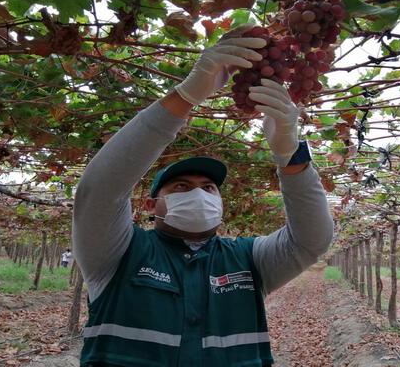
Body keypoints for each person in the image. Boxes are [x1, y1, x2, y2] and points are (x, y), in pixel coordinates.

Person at [72, 23, 334, 366]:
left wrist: (292, 158)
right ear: (152, 205)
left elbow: (312, 240)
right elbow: (100, 189)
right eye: (182, 187)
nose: (199, 193)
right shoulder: (116, 253)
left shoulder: (249, 259)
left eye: (209, 188)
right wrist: (185, 96)